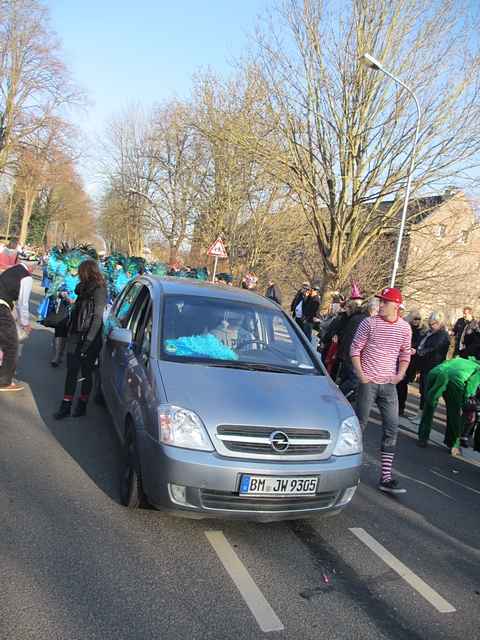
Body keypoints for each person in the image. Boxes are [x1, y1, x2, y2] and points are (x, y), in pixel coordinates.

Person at [350, 287, 412, 494]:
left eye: (385, 302)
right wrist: (361, 376)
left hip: (389, 385)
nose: (381, 305)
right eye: (380, 301)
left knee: (392, 428)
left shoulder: (405, 328)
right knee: (360, 425)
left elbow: (405, 354)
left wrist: (400, 374)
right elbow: (355, 349)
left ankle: (386, 477)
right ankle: (349, 469)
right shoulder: (369, 323)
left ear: (396, 305)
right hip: (368, 382)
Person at [54, 260, 107, 419]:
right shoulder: (83, 287)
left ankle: (82, 404)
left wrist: (89, 341)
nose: (78, 274)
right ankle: (66, 404)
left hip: (90, 336)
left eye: (80, 271)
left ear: (85, 271)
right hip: (77, 333)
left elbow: (97, 317)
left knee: (85, 372)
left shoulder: (99, 289)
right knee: (72, 371)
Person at [417, 356, 480, 455]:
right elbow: (471, 386)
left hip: (434, 373)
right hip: (455, 380)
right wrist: (466, 400)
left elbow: (445, 363)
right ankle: (453, 444)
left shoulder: (459, 359)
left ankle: (422, 437)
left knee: (429, 406)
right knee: (454, 413)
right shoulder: (478, 369)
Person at [0, 263, 33, 391]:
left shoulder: (13, 270)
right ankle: (3, 381)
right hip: (1, 307)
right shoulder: (26, 277)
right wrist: (25, 323)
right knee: (11, 345)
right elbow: (23, 302)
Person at [414, 311, 450, 418]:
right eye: (430, 323)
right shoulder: (430, 332)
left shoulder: (442, 334)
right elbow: (421, 343)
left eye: (434, 323)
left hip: (434, 365)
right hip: (425, 364)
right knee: (423, 390)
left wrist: (422, 351)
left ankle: (425, 416)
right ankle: (420, 414)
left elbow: (435, 347)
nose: (431, 325)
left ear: (440, 323)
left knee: (428, 392)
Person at [396, 310, 426, 416]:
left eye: (418, 319)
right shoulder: (405, 327)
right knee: (398, 384)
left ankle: (400, 407)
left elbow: (419, 346)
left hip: (411, 361)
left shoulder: (422, 331)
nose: (417, 321)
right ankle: (397, 406)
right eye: (415, 319)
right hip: (402, 357)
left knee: (402, 383)